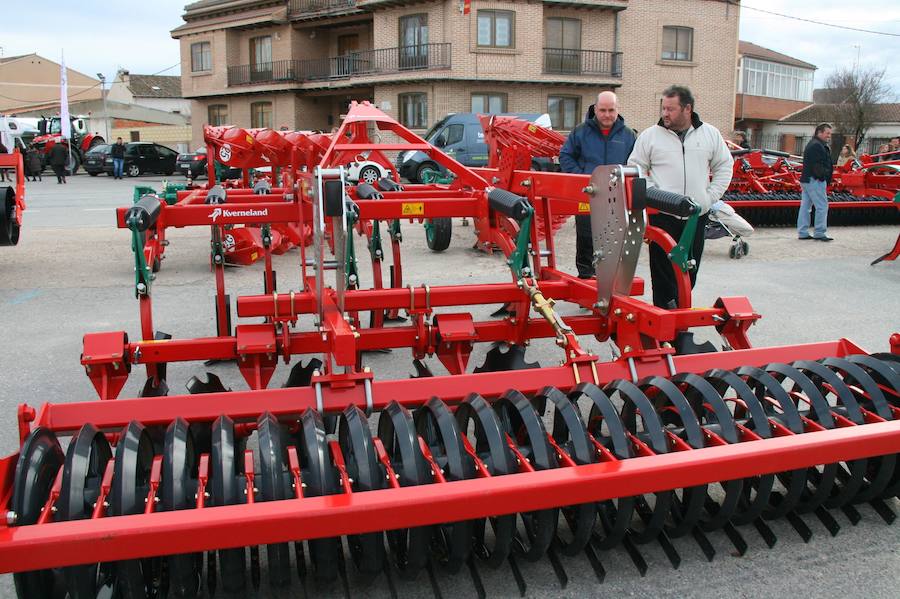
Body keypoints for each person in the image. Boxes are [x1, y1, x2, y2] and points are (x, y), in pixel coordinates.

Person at [628, 85, 733, 309]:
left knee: (689, 270)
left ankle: (680, 314)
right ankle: (665, 324)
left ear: (687, 108)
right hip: (664, 216)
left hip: (696, 217)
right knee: (663, 275)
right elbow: (636, 170)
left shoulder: (710, 135)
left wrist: (709, 197)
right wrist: (657, 196)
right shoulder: (650, 137)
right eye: (663, 108)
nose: (665, 113)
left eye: (670, 109)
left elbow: (724, 165)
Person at [559, 90, 636, 279]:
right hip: (588, 195)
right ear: (595, 109)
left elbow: (635, 164)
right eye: (603, 110)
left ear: (618, 110)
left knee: (614, 240)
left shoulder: (629, 136)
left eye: (611, 110)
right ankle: (585, 278)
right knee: (586, 238)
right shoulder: (580, 132)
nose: (607, 115)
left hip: (617, 198)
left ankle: (610, 282)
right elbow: (566, 156)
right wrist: (583, 179)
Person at [797, 123, 834, 241]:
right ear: (819, 132)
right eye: (827, 133)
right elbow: (818, 165)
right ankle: (819, 232)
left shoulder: (813, 144)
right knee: (822, 206)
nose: (829, 136)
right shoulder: (817, 146)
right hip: (815, 180)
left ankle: (802, 232)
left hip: (807, 179)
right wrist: (824, 175)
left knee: (805, 207)